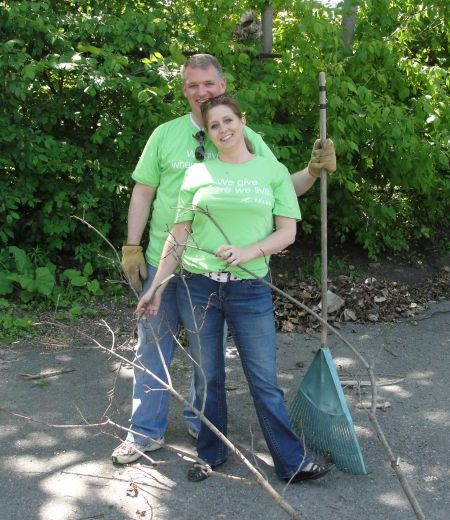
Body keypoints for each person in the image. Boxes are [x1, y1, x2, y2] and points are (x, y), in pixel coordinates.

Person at [113, 53, 336, 464]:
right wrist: (132, 245)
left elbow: (275, 188)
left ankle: (204, 426)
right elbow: (143, 192)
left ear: (223, 86)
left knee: (207, 360)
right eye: (193, 85)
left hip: (225, 269)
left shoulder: (246, 138)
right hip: (168, 258)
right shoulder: (165, 135)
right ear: (184, 90)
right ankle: (144, 432)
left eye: (209, 84)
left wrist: (311, 171)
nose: (202, 92)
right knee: (152, 348)